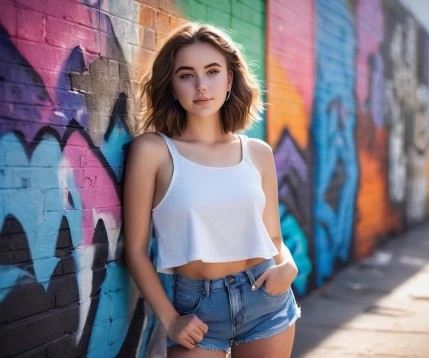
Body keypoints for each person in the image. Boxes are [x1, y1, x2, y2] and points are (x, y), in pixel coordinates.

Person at [124, 22, 301, 358]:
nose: (201, 85)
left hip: (266, 296)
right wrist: (171, 319)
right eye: (187, 74)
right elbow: (135, 250)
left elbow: (273, 237)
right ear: (172, 85)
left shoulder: (257, 153)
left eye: (212, 71)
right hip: (197, 309)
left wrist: (288, 267)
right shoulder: (152, 151)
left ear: (230, 79)